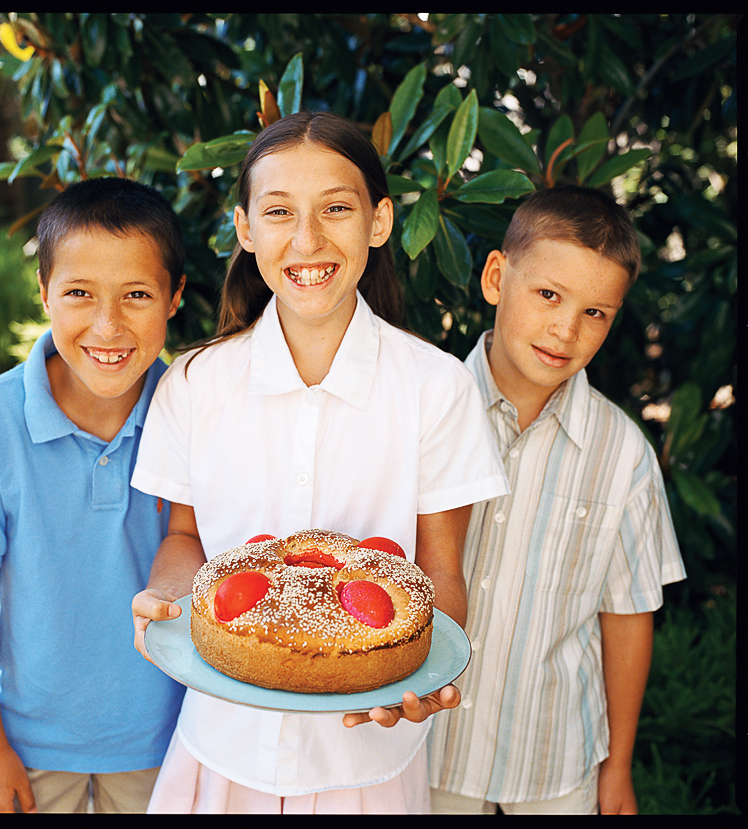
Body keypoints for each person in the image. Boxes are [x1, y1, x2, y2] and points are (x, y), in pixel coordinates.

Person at [130, 111, 509, 814]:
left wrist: (420, 676)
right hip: (220, 747)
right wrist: (170, 602)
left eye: (336, 207)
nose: (307, 239)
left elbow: (441, 570)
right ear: (245, 229)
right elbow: (184, 540)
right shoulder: (194, 383)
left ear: (380, 219)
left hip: (366, 761)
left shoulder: (435, 387)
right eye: (279, 212)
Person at [427, 186, 686, 815]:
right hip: (424, 747)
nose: (566, 329)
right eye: (549, 295)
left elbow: (626, 617)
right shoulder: (425, 413)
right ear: (495, 277)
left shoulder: (623, 455)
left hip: (554, 760)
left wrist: (617, 767)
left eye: (596, 312)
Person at [0, 177, 188, 813]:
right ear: (45, 292)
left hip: (167, 742)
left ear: (174, 298)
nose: (108, 326)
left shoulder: (194, 415)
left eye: (136, 294)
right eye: (80, 293)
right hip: (27, 745)